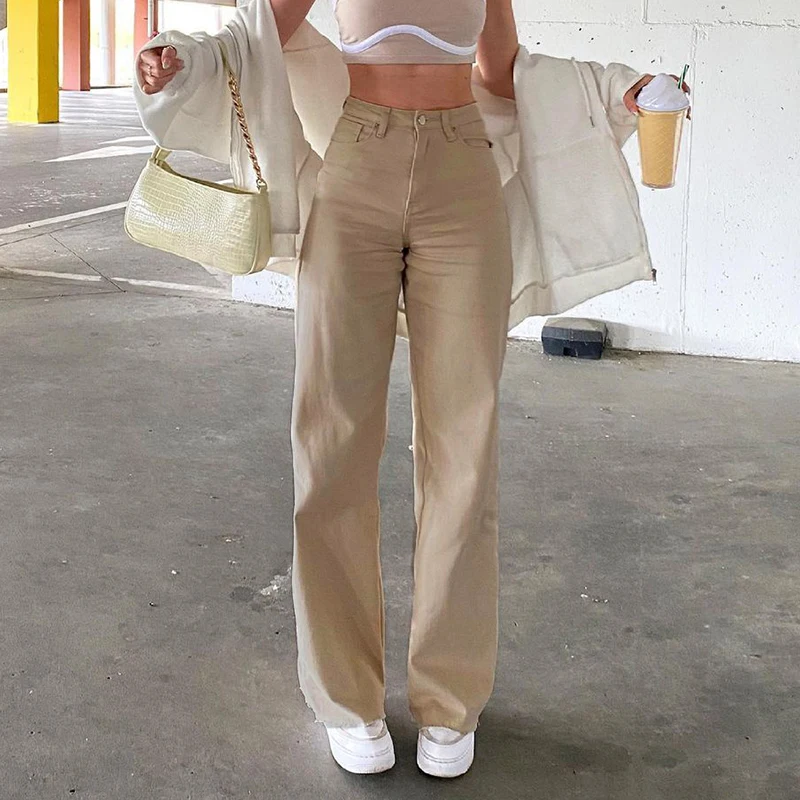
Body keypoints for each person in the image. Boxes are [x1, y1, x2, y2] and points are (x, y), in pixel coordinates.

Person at [135, 0, 687, 779]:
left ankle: (450, 699)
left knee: (465, 447)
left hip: (464, 172)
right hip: (356, 165)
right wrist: (180, 62)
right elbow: (258, 37)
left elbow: (504, 72)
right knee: (331, 438)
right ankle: (346, 699)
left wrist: (616, 91)